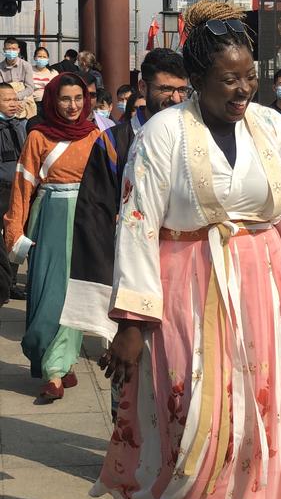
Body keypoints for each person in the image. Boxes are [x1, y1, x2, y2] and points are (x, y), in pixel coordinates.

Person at [89, 0, 281, 499]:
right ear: (198, 78)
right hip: (185, 286)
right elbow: (137, 223)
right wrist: (132, 323)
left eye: (249, 77)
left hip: (263, 288)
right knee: (190, 414)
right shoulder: (163, 133)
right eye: (229, 80)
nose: (243, 90)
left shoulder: (273, 128)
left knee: (259, 412)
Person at [62, 47, 190, 340]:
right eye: (166, 89)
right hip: (131, 262)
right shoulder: (113, 141)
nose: (175, 98)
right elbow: (95, 215)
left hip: (186, 262)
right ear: (143, 87)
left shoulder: (196, 135)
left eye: (182, 90)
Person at [4, 72, 100, 401]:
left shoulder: (94, 135)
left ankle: (57, 368)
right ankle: (53, 359)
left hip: (85, 220)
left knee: (76, 294)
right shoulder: (37, 137)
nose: (73, 106)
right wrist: (15, 230)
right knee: (49, 294)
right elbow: (22, 186)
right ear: (53, 101)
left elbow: (106, 185)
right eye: (65, 99)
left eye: (78, 98)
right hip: (50, 218)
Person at [0, 83, 27, 299]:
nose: (12, 103)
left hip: (18, 189)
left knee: (16, 237)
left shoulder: (20, 124)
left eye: (15, 99)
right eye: (7, 100)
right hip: (1, 188)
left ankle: (11, 283)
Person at [0, 36, 35, 119]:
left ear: (18, 50)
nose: (11, 51)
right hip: (6, 102)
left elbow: (30, 88)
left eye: (14, 49)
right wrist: (11, 100)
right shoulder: (0, 67)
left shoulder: (26, 66)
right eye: (8, 49)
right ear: (4, 50)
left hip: (23, 101)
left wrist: (17, 98)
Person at [32, 47, 58, 113]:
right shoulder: (29, 70)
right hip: (32, 104)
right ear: (34, 58)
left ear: (48, 59)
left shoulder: (53, 73)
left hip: (49, 104)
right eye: (39, 56)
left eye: (44, 57)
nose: (42, 58)